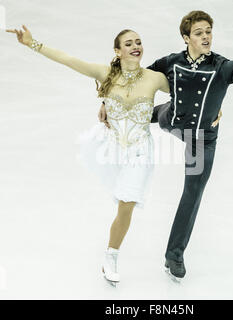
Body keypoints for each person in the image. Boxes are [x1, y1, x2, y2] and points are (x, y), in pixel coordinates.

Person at [99, 10, 233, 282]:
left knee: (192, 192)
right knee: (150, 111)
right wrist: (108, 102)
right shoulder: (171, 62)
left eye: (208, 32)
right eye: (199, 33)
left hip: (200, 138)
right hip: (172, 119)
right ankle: (139, 112)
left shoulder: (223, 66)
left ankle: (174, 255)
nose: (206, 37)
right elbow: (134, 78)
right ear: (186, 37)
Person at [6, 25, 169, 286]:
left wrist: (212, 113)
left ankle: (111, 256)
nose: (135, 46)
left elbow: (189, 97)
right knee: (121, 199)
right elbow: (68, 60)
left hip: (140, 151)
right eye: (128, 43)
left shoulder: (155, 78)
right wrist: (32, 43)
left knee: (126, 203)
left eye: (138, 41)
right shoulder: (105, 73)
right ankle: (112, 253)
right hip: (112, 148)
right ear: (117, 51)